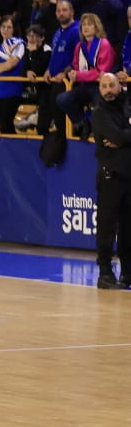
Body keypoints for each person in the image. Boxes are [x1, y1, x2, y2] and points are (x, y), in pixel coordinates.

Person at [91, 73, 131, 288]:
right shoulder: (99, 114)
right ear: (99, 89)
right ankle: (105, 273)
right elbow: (116, 137)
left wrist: (123, 137)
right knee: (107, 227)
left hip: (129, 178)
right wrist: (124, 137)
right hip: (110, 178)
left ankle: (127, 274)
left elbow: (120, 138)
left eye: (111, 85)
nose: (108, 90)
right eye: (104, 86)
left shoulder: (126, 106)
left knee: (128, 230)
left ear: (119, 86)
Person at [0, 16, 26, 134]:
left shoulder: (19, 44)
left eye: (9, 27)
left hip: (13, 88)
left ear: (14, 29)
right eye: (3, 27)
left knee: (6, 124)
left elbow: (12, 63)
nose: (6, 30)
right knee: (2, 125)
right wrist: (2, 67)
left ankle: (15, 150)